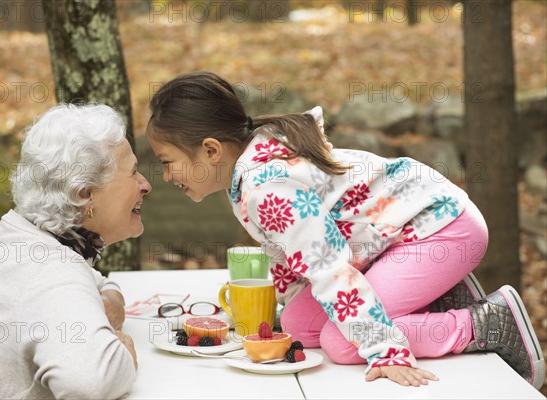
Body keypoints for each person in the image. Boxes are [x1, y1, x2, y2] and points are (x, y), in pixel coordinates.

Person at [146, 71, 545, 389]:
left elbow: (329, 269)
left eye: (167, 162)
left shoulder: (267, 185)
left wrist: (385, 349)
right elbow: (288, 253)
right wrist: (278, 312)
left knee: (341, 342)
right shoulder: (246, 175)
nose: (165, 176)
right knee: (300, 327)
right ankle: (433, 299)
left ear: (212, 150)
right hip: (392, 241)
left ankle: (487, 322)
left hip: (442, 228)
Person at [0, 104, 151, 399]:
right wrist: (123, 354)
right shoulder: (51, 270)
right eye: (133, 173)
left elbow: (96, 282)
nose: (146, 185)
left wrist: (109, 302)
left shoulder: (22, 239)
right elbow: (91, 383)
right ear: (84, 194)